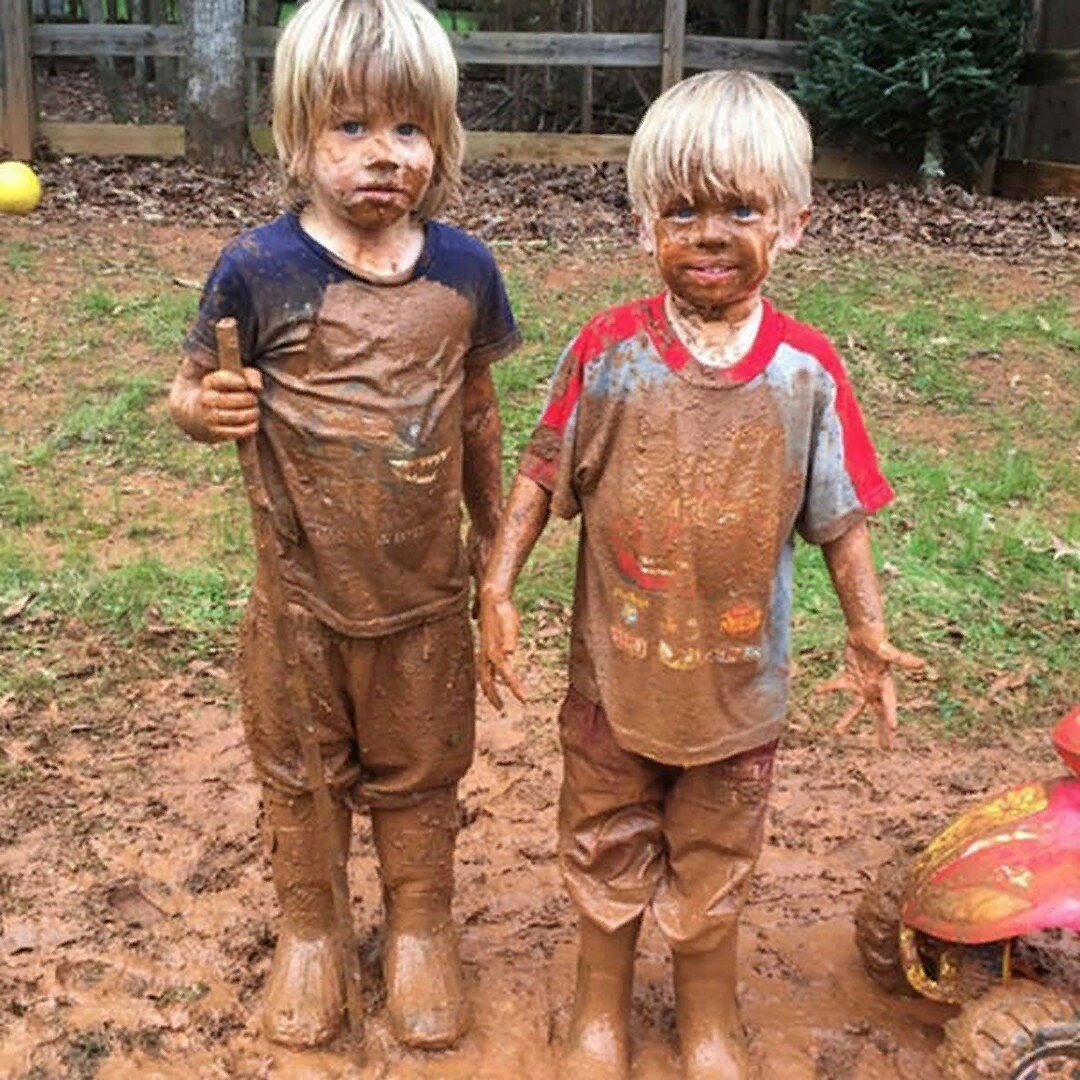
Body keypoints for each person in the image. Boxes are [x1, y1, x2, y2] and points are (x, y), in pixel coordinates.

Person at [478, 70, 924, 1080]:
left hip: (739, 690)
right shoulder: (606, 355)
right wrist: (498, 586)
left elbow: (842, 516)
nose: (710, 232)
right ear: (645, 227)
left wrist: (865, 630)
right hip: (612, 679)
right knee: (601, 834)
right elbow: (544, 473)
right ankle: (600, 1005)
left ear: (795, 222)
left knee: (719, 848)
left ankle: (707, 1011)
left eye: (741, 209)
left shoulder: (805, 373)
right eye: (683, 209)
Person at [169, 0, 519, 1051]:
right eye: (352, 126)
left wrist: (496, 560)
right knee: (301, 766)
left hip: (421, 596)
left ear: (442, 140)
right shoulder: (257, 270)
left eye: (409, 130)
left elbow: (478, 418)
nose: (384, 156)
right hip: (300, 598)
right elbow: (190, 390)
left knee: (423, 765)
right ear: (297, 136)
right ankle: (311, 931)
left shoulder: (464, 272)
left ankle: (419, 925)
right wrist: (203, 409)